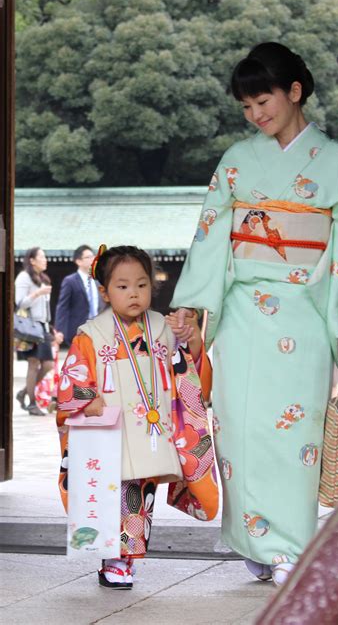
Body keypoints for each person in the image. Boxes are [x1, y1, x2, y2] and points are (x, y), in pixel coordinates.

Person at [170, 42, 338, 587]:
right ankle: (253, 537)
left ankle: (291, 543)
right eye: (247, 107)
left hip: (308, 311)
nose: (255, 115)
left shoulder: (337, 161)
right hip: (244, 311)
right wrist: (194, 307)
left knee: (296, 435)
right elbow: (211, 237)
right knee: (241, 428)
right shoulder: (237, 161)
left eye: (263, 100)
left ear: (295, 92)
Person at [56, 245, 217, 589]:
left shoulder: (162, 327)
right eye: (123, 286)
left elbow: (189, 374)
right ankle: (113, 558)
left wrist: (194, 341)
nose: (134, 293)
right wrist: (87, 400)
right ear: (105, 291)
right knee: (112, 491)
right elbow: (72, 381)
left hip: (150, 430)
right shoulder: (92, 334)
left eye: (142, 285)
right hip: (111, 431)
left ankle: (125, 557)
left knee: (139, 496)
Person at [15, 247, 64, 416]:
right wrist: (37, 293)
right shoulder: (24, 277)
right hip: (29, 328)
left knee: (48, 365)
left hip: (42, 328)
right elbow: (20, 303)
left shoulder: (43, 278)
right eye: (42, 257)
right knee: (33, 364)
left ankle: (23, 393)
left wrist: (51, 330)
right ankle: (32, 404)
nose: (45, 260)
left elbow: (45, 311)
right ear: (32, 260)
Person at [54, 245, 105, 345]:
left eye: (93, 256)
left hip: (99, 329)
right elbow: (62, 307)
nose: (92, 259)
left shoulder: (98, 281)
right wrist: (59, 331)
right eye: (88, 257)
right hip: (78, 330)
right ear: (78, 261)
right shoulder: (70, 281)